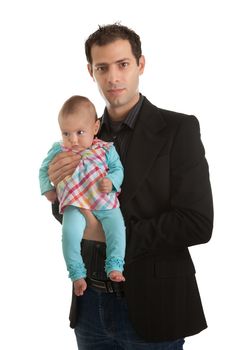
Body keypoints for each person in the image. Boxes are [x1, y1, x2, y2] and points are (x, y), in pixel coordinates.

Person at [48, 24, 213, 349]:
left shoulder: (179, 129)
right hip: (89, 309)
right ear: (91, 71)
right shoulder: (83, 132)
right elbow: (73, 212)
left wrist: (114, 237)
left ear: (140, 64)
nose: (113, 77)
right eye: (102, 67)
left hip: (154, 306)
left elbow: (198, 223)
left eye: (122, 64)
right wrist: (59, 192)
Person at [39, 95, 126, 296]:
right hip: (75, 204)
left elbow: (118, 169)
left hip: (105, 201)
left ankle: (115, 265)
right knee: (69, 234)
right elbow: (43, 170)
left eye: (80, 132)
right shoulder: (59, 149)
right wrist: (48, 189)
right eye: (66, 133)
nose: (73, 140)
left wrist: (112, 181)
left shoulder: (105, 148)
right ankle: (77, 274)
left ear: (95, 128)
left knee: (117, 229)